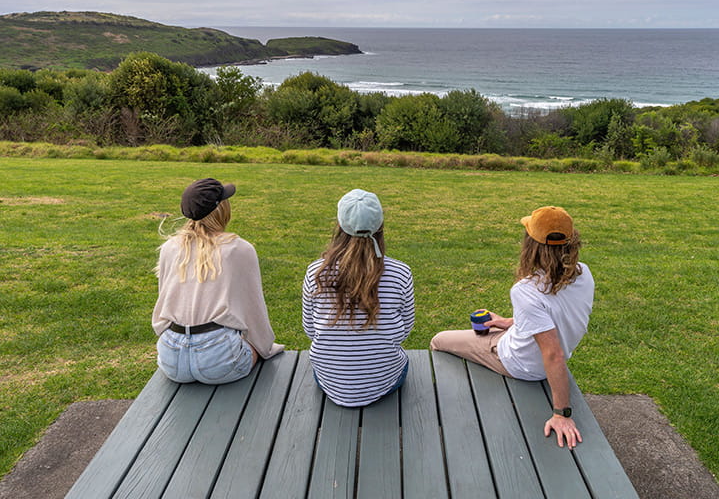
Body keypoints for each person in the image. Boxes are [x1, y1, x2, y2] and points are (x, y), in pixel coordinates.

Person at [430, 206, 594, 448]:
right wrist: (509, 322)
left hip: (518, 362)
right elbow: (555, 318)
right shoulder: (584, 274)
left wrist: (562, 414)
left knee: (439, 340)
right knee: (492, 332)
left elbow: (553, 354)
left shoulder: (526, 290)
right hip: (533, 355)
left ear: (531, 246)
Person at [152, 177, 283, 384]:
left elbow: (164, 303)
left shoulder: (171, 247)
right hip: (219, 357)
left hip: (171, 356)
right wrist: (265, 347)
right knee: (252, 350)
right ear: (220, 209)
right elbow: (253, 309)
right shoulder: (239, 249)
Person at [302, 189, 415, 407]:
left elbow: (309, 330)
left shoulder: (316, 273)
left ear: (340, 225)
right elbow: (405, 329)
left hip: (329, 380)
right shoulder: (401, 273)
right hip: (385, 380)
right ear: (380, 226)